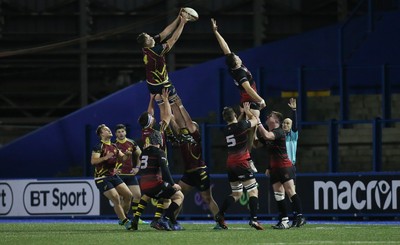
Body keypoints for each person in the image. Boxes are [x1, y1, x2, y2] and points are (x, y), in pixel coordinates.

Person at [211, 18, 266, 171]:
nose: (237, 56)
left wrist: (216, 32)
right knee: (251, 132)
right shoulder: (240, 72)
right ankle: (248, 159)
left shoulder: (233, 64)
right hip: (250, 99)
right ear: (236, 63)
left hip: (245, 100)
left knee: (250, 133)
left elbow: (225, 48)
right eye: (236, 57)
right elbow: (248, 89)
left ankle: (253, 146)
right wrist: (260, 100)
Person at [168, 97, 222, 229]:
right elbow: (172, 120)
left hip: (200, 171)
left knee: (207, 198)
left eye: (191, 125)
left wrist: (180, 105)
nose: (188, 125)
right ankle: (171, 222)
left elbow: (186, 120)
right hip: (188, 173)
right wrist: (167, 103)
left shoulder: (196, 136)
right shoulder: (182, 136)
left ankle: (220, 223)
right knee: (177, 195)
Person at [214, 103, 264, 230]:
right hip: (241, 162)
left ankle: (220, 214)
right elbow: (255, 120)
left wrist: (242, 114)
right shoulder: (241, 125)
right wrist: (248, 111)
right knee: (253, 191)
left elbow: (236, 124)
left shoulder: (226, 129)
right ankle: (254, 219)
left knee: (236, 193)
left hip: (230, 163)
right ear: (235, 115)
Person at [137, 9, 189, 130]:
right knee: (175, 105)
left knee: (162, 107)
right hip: (163, 83)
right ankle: (183, 131)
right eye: (149, 37)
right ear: (147, 43)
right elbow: (173, 39)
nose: (151, 37)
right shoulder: (156, 52)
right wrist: (183, 23)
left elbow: (165, 33)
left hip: (151, 84)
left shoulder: (146, 48)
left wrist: (178, 18)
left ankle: (169, 132)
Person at [257, 111, 306, 229]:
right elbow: (256, 144)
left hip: (285, 166)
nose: (268, 116)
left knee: (290, 192)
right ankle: (284, 220)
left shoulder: (279, 131)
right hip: (274, 168)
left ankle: (300, 216)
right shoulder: (269, 133)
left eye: (271, 116)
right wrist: (252, 127)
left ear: (276, 121)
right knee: (278, 195)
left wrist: (257, 122)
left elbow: (268, 136)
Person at [134, 88, 175, 230]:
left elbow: (149, 114)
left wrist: (151, 99)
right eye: (151, 118)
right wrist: (165, 100)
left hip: (147, 164)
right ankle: (159, 219)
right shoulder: (157, 130)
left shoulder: (145, 131)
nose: (152, 116)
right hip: (158, 161)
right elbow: (168, 115)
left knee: (148, 193)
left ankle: (136, 219)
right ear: (151, 122)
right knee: (166, 194)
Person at [132, 130, 184, 231]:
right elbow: (165, 170)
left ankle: (152, 220)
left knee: (164, 196)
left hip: (144, 186)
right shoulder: (160, 152)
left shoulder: (144, 152)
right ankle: (164, 219)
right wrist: (173, 184)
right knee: (179, 196)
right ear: (160, 141)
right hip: (154, 185)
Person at [91, 124, 133, 230]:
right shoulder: (98, 147)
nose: (109, 131)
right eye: (106, 130)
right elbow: (93, 161)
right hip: (101, 178)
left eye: (109, 129)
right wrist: (105, 157)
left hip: (113, 176)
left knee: (128, 195)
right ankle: (125, 221)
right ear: (101, 134)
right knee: (116, 197)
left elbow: (123, 158)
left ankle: (122, 217)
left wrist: (128, 154)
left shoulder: (114, 146)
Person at [114, 124, 146, 224]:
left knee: (137, 195)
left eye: (122, 131)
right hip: (119, 176)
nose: (121, 133)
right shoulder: (113, 144)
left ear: (126, 132)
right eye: (119, 132)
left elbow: (140, 155)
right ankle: (124, 218)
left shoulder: (132, 143)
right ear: (115, 134)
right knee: (124, 198)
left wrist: (137, 167)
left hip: (130, 175)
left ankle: (136, 218)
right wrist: (113, 169)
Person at [283, 98, 298, 166]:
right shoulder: (279, 135)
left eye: (288, 123)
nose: (285, 124)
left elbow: (295, 126)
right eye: (284, 123)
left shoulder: (293, 136)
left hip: (290, 165)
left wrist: (294, 110)